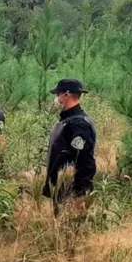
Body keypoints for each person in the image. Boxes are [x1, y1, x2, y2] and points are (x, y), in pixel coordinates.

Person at [43, 78, 97, 217]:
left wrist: (79, 194)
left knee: (72, 227)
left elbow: (85, 162)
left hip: (71, 193)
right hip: (61, 190)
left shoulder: (78, 124)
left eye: (58, 94)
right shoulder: (67, 121)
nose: (56, 98)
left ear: (66, 95)